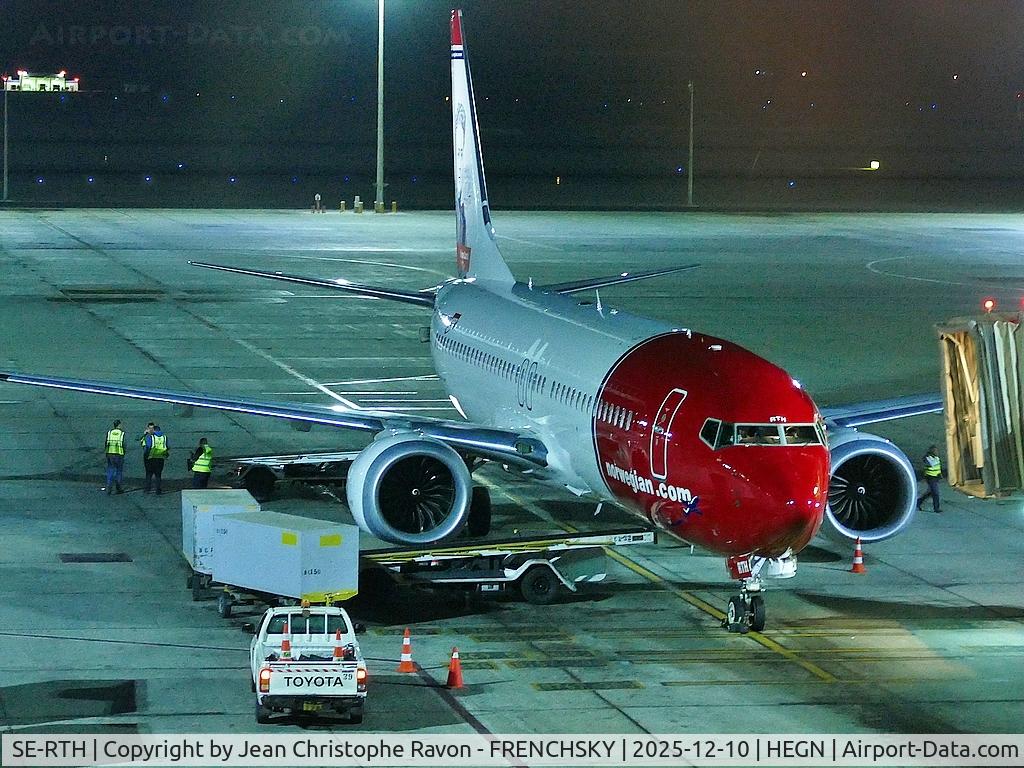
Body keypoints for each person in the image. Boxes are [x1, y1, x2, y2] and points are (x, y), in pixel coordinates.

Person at [143, 424, 169, 495]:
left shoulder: (151, 437)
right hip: (160, 458)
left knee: (149, 474)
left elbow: (148, 446)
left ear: (154, 430)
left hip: (151, 458)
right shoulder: (164, 437)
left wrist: (146, 455)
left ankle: (148, 488)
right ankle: (158, 489)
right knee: (158, 474)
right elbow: (167, 447)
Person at [917, 444, 942, 513]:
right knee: (935, 493)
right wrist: (936, 458)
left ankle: (918, 502)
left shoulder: (936, 457)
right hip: (930, 477)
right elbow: (932, 464)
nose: (937, 452)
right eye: (935, 451)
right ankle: (936, 508)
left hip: (935, 477)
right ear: (932, 451)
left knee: (930, 492)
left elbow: (938, 466)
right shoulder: (928, 458)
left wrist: (940, 475)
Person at [103, 419, 126, 494]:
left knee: (110, 470)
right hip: (119, 454)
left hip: (110, 453)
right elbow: (124, 444)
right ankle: (118, 488)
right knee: (118, 471)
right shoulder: (122, 433)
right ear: (119, 425)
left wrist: (106, 452)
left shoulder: (109, 433)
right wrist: (124, 453)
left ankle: (109, 487)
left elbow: (106, 443)